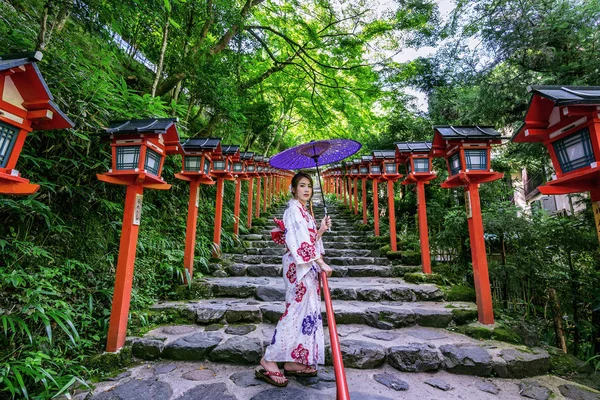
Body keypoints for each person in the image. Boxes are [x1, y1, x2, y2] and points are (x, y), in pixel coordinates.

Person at [255, 172, 333, 387]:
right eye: (301, 185)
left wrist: (321, 230)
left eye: (309, 186)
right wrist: (321, 263)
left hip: (307, 267)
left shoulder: (305, 212)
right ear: (293, 189)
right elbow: (297, 241)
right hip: (299, 268)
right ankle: (269, 359)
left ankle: (292, 360)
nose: (306, 189)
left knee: (306, 313)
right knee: (295, 312)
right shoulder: (293, 211)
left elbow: (308, 239)